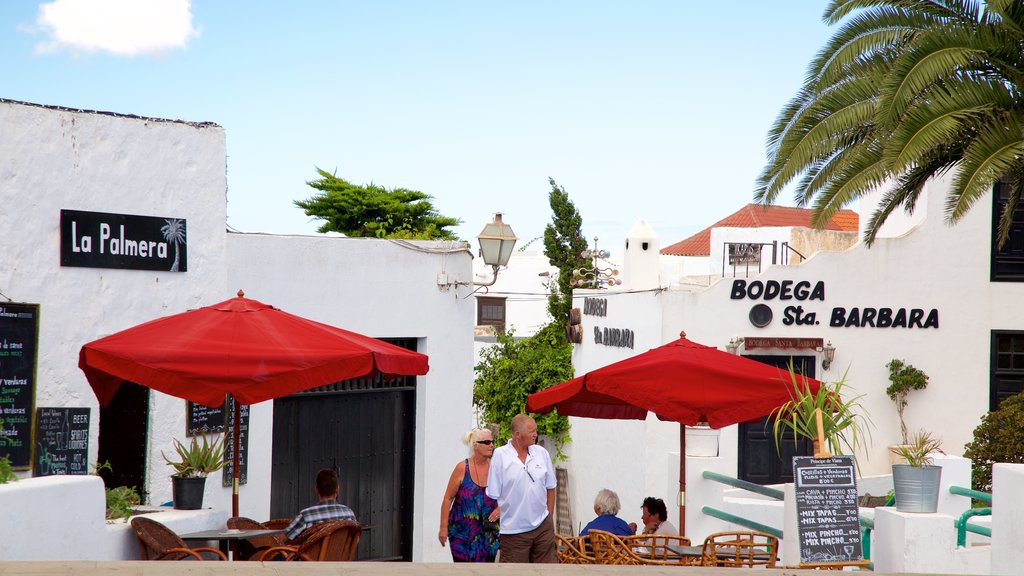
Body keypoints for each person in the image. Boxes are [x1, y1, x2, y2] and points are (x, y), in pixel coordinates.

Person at [486, 414, 558, 563]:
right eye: (532, 431)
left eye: (535, 431)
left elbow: (551, 487)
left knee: (547, 572)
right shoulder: (500, 455)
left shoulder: (541, 453)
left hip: (543, 528)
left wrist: (549, 517)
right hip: (514, 531)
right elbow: (492, 493)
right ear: (518, 434)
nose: (535, 435)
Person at [438, 427, 500, 562]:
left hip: (488, 535)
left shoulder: (496, 468)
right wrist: (443, 528)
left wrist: (500, 509)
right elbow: (448, 498)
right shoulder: (462, 468)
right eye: (487, 442)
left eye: (492, 442)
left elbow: (507, 495)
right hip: (462, 534)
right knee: (464, 570)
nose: (491, 445)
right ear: (475, 446)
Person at [284, 468, 357, 541]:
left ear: (316, 489)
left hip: (311, 553)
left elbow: (286, 537)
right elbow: (355, 540)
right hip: (342, 552)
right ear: (337, 489)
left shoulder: (306, 516)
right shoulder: (349, 514)